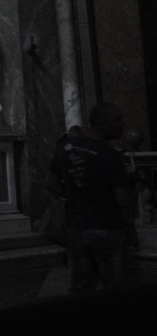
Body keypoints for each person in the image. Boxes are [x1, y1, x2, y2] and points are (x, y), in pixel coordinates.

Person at [51, 103, 133, 292]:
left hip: (76, 228)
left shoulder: (65, 149)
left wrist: (74, 197)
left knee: (81, 287)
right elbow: (122, 201)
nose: (123, 124)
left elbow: (51, 183)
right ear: (102, 124)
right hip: (107, 228)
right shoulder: (110, 155)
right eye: (117, 119)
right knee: (115, 287)